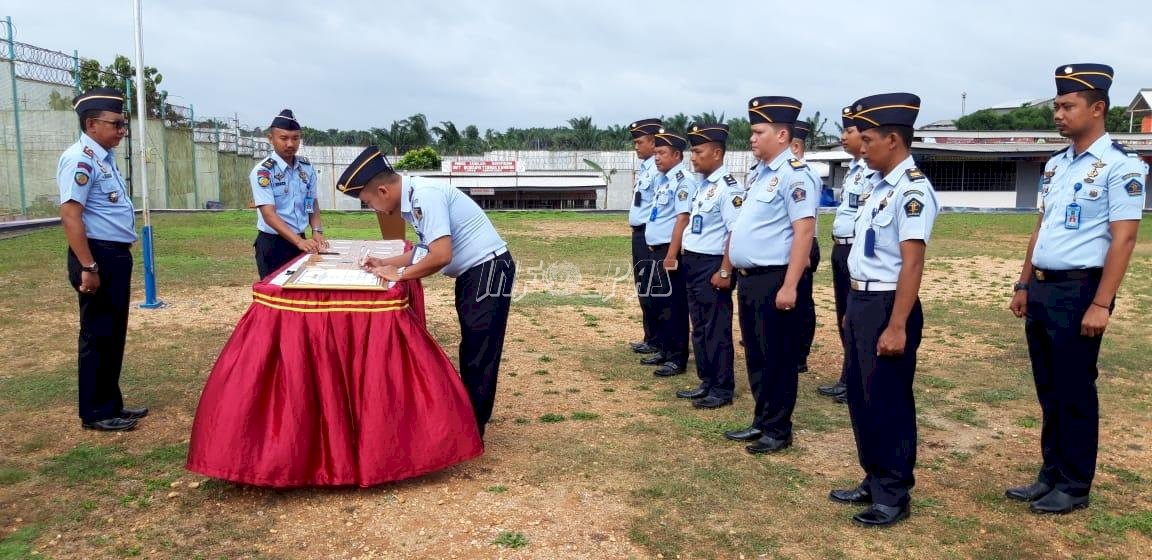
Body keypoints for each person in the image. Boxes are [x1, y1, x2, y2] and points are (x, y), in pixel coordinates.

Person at [1006, 63, 1146, 515]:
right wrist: (1024, 282)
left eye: (1068, 106)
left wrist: (1102, 302)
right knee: (1049, 388)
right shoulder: (1056, 164)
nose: (1058, 114)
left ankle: (1075, 483)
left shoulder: (1120, 166)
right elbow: (1041, 227)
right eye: (1056, 106)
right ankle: (1050, 474)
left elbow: (1124, 237)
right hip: (1044, 289)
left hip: (1081, 290)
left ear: (1098, 108)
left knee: (1075, 390)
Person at [337, 146, 516, 439]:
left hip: (488, 269)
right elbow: (424, 250)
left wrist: (400, 275)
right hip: (475, 272)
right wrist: (385, 262)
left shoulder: (425, 196)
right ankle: (469, 416)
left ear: (382, 191)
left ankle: (472, 427)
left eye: (370, 203)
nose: (375, 210)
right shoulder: (413, 197)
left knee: (479, 349)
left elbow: (441, 255)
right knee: (472, 345)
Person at [829, 93, 937, 527]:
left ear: (893, 139)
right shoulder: (877, 186)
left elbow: (912, 261)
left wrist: (896, 325)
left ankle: (893, 493)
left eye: (869, 138)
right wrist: (853, 307)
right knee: (861, 395)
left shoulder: (911, 191)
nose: (861, 145)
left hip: (890, 303)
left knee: (888, 399)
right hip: (863, 300)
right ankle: (873, 478)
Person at [723, 96, 817, 455]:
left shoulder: (795, 175)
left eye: (758, 132)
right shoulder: (761, 175)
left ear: (781, 135)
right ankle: (762, 420)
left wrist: (791, 285)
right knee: (758, 354)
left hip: (775, 278)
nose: (752, 138)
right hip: (750, 278)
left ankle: (778, 429)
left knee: (777, 356)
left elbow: (804, 231)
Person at [57, 87, 147, 431]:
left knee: (113, 334)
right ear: (92, 124)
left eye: (123, 124)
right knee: (97, 334)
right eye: (117, 124)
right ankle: (96, 413)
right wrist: (88, 266)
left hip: (114, 255)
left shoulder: (102, 159)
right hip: (97, 256)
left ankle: (112, 404)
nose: (122, 130)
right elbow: (70, 215)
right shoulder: (79, 159)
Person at [675, 123, 743, 408]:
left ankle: (722, 388)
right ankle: (707, 380)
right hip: (694, 262)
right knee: (700, 326)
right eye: (692, 151)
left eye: (698, 151)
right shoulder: (704, 186)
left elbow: (734, 231)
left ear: (717, 153)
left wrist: (725, 270)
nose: (693, 156)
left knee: (716, 328)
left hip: (713, 264)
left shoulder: (729, 189)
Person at [818, 106, 875, 404]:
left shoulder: (870, 171)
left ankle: (854, 378)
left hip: (855, 248)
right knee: (843, 315)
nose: (843, 137)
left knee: (853, 317)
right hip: (841, 247)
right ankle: (847, 376)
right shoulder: (852, 170)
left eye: (849, 131)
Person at [642, 129, 696, 377]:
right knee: (659, 302)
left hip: (668, 251)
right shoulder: (662, 180)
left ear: (676, 154)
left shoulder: (683, 181)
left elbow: (682, 219)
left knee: (674, 305)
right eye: (655, 153)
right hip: (656, 250)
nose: (657, 158)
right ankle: (664, 349)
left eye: (662, 153)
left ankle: (677, 356)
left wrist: (672, 255)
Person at [250, 109, 328, 279]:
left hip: (302, 241)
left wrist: (317, 230)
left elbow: (311, 201)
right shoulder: (263, 172)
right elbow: (268, 214)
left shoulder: (306, 168)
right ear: (271, 139)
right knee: (276, 295)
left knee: (302, 291)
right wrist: (299, 241)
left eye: (295, 138)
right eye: (284, 138)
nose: (290, 144)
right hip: (273, 244)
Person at [627, 119, 665, 356]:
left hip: (650, 236)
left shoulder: (659, 169)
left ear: (653, 141)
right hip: (640, 235)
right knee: (644, 288)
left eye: (640, 141)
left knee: (654, 289)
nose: (636, 147)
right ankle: (651, 337)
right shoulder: (646, 168)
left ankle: (659, 340)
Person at [790, 121, 823, 375]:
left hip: (802, 242)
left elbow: (806, 221)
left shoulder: (805, 175)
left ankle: (799, 353)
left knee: (800, 302)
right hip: (785, 244)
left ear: (795, 145)